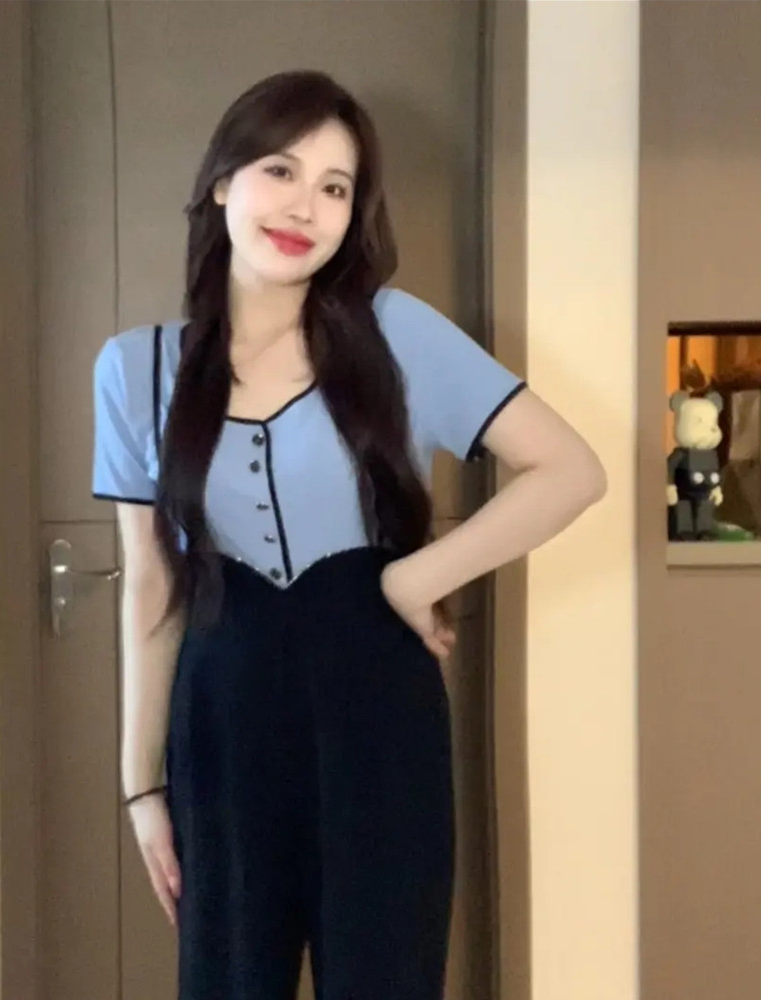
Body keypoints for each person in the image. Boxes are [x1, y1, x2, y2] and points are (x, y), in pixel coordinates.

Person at [92, 69, 605, 1000]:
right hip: (223, 726)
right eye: (280, 171)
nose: (305, 206)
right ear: (222, 183)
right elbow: (151, 584)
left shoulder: (397, 334)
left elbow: (572, 469)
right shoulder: (135, 369)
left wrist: (415, 579)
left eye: (335, 187)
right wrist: (141, 786)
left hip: (380, 721)